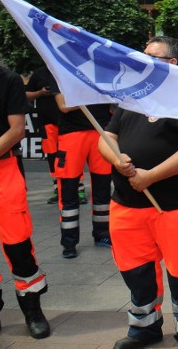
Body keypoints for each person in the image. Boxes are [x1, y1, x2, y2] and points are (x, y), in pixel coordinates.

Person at [98, 36, 178, 349]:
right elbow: (105, 137)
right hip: (127, 204)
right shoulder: (132, 97)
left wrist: (151, 177)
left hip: (174, 206)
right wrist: (116, 158)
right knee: (136, 270)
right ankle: (144, 327)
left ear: (172, 64)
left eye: (152, 57)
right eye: (142, 55)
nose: (142, 61)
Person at [0, 29, 50, 344]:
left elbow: (16, 130)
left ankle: (32, 309)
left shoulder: (7, 80)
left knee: (17, 242)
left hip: (1, 168)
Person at [52, 87, 112, 258]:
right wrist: (94, 95)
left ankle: (102, 235)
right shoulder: (61, 72)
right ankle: (69, 242)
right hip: (72, 135)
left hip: (100, 132)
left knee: (103, 188)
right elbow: (63, 105)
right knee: (69, 190)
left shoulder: (98, 72)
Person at [25, 65, 60, 204]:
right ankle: (57, 188)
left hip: (69, 123)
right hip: (46, 122)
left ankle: (78, 189)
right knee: (52, 155)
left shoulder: (66, 70)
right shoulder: (39, 73)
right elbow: (26, 94)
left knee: (71, 155)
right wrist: (40, 93)